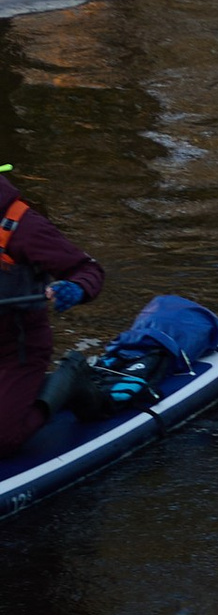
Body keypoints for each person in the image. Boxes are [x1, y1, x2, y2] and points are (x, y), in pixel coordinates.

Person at [0, 163, 103, 458]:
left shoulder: (23, 226)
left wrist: (76, 288)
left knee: (3, 439)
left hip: (17, 352)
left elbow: (88, 269)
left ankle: (68, 380)